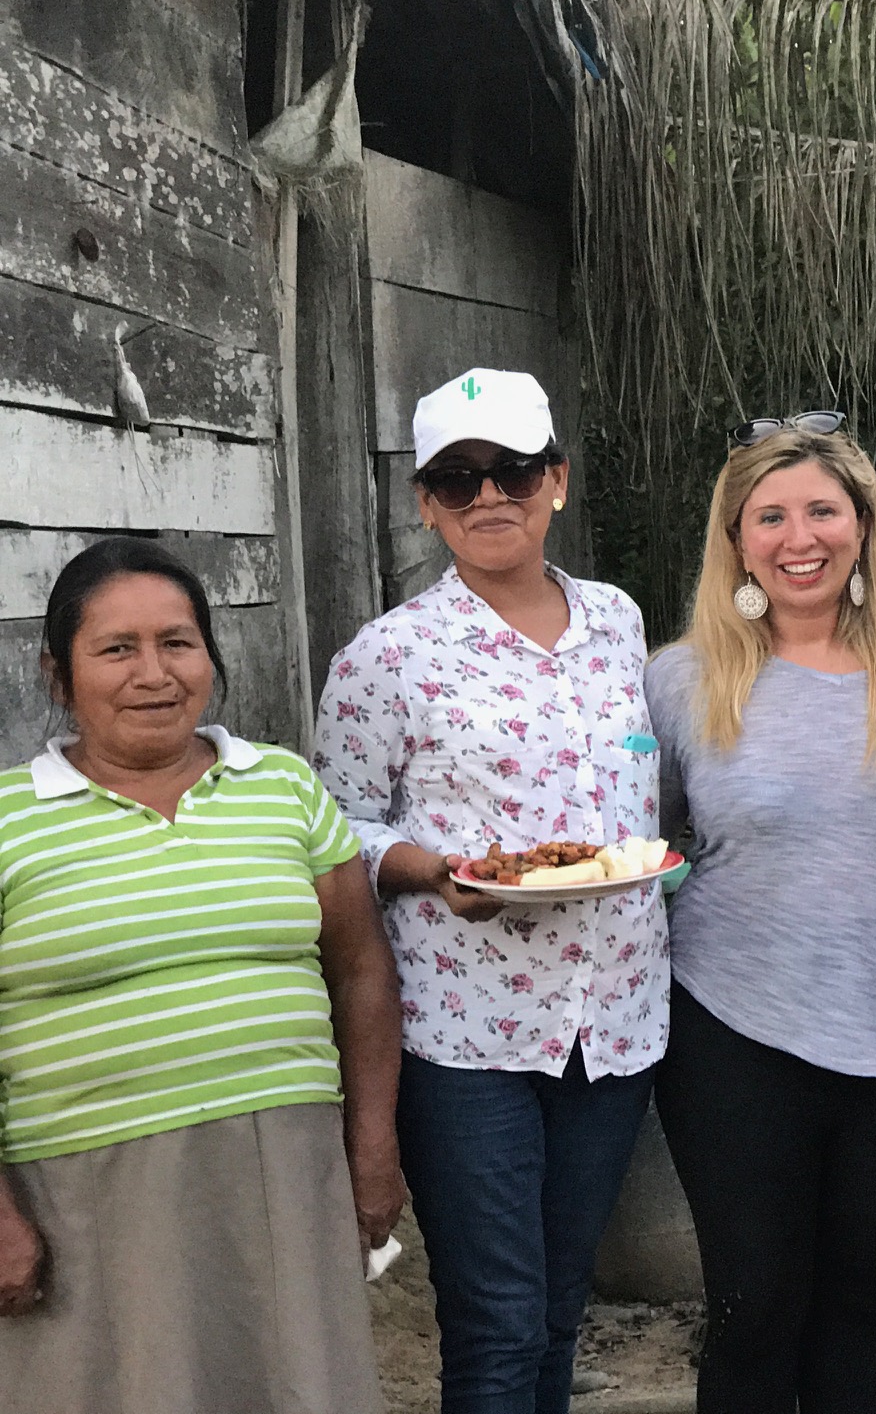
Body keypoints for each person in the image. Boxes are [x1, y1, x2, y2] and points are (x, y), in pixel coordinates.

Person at [312, 368, 665, 1414]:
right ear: (426, 501)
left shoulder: (617, 620)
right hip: (465, 1032)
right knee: (499, 1318)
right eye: (458, 479)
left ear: (556, 480)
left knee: (560, 1307)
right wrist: (436, 872)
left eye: (514, 470)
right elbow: (339, 833)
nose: (489, 497)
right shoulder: (386, 657)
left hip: (616, 1015)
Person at [0, 538, 402, 1414]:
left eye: (178, 643)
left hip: (285, 1175)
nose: (154, 673)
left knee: (297, 1385)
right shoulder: (8, 820)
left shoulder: (284, 788)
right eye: (116, 649)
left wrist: (374, 1148)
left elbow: (363, 971)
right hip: (84, 1190)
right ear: (58, 676)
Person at [643, 412, 876, 1413]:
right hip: (730, 1031)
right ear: (736, 540)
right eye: (768, 516)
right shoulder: (680, 680)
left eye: (822, 509)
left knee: (854, 1314)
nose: (799, 537)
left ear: (862, 524)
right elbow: (647, 846)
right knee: (756, 1312)